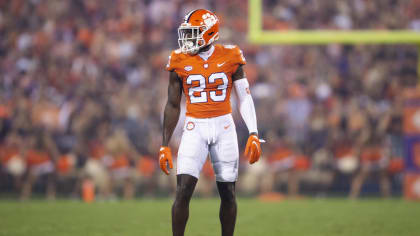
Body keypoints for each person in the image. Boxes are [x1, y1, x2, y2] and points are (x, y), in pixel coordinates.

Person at [158, 9, 263, 236]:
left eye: (193, 33)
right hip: (194, 127)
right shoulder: (178, 58)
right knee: (183, 191)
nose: (187, 39)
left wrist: (254, 132)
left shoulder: (231, 54)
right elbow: (173, 104)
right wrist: (164, 144)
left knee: (228, 192)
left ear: (209, 33)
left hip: (224, 127)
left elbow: (244, 96)